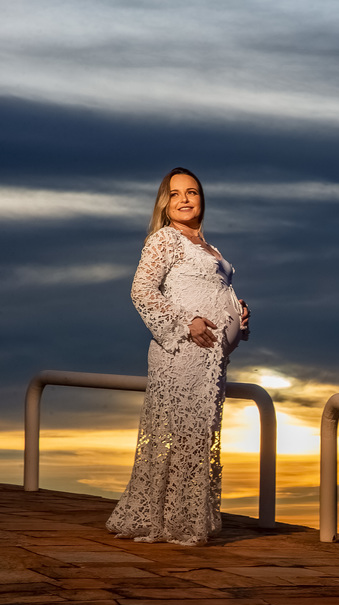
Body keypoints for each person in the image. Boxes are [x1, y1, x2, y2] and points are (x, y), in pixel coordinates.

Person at [107, 168, 250, 546]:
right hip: (181, 352)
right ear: (165, 203)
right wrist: (186, 322)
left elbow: (214, 290)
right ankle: (168, 522)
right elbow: (142, 290)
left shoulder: (209, 247)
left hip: (210, 360)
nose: (185, 199)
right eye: (176, 194)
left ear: (202, 199)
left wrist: (238, 314)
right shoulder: (166, 239)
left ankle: (186, 519)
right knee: (179, 435)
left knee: (197, 438)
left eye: (192, 192)